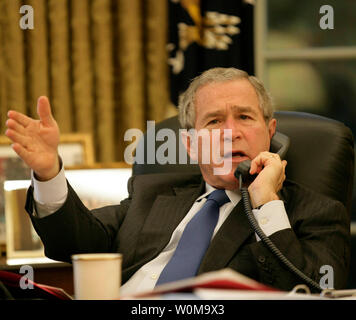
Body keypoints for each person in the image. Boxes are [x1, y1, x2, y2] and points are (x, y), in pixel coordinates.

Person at [5, 68, 350, 295]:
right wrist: (49, 172)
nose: (231, 132)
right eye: (214, 121)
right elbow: (73, 242)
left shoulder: (315, 212)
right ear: (189, 143)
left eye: (244, 117)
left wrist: (265, 202)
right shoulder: (151, 194)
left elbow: (310, 290)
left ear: (270, 132)